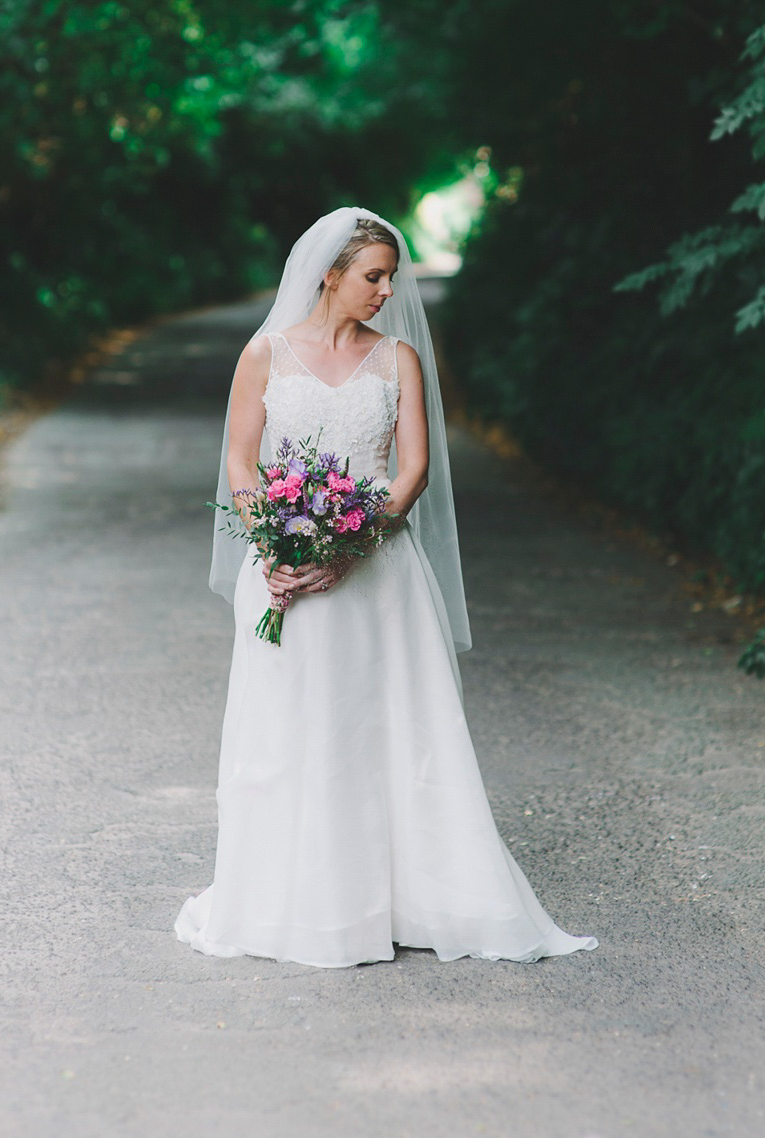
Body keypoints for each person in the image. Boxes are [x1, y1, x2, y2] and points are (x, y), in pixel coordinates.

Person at [174, 206, 597, 967]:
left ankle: (410, 896)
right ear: (329, 275)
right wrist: (274, 542)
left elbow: (413, 472)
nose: (386, 291)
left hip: (379, 574)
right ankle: (301, 899)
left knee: (392, 728)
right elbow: (241, 464)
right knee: (288, 732)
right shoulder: (264, 354)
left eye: (391, 278)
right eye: (373, 277)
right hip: (283, 575)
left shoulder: (397, 358)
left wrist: (351, 544)